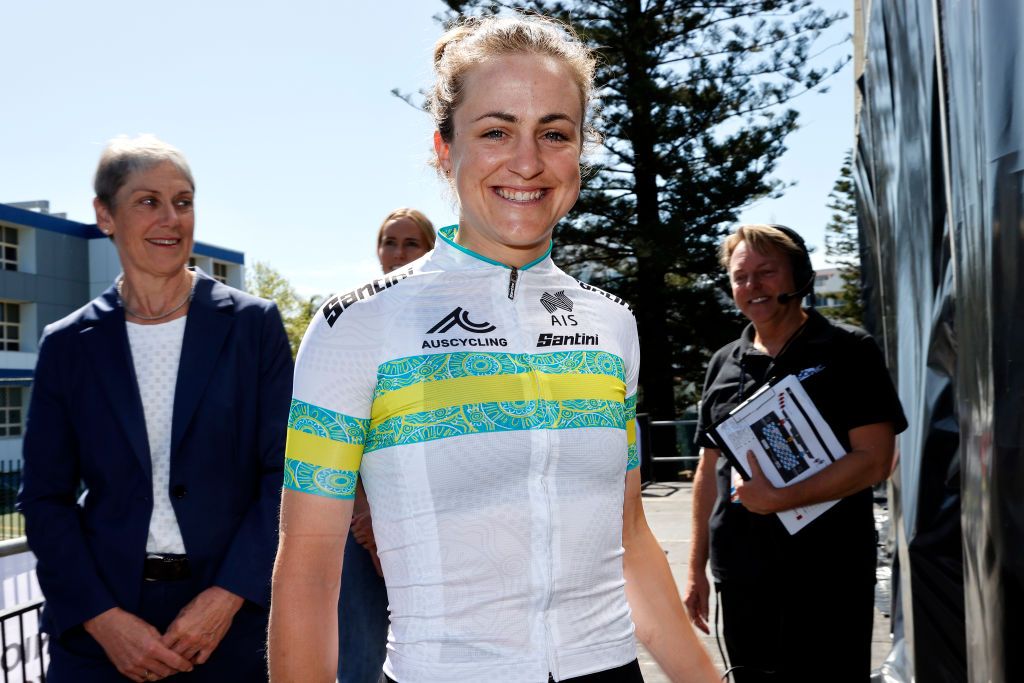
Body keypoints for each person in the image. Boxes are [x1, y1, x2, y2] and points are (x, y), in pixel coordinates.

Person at [270, 13, 719, 683]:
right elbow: (307, 571)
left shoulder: (612, 325)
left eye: (555, 134)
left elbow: (629, 544)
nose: (529, 161)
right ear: (444, 149)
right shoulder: (355, 326)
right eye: (496, 131)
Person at [18, 135, 293, 683]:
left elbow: (284, 474)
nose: (171, 218)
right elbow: (46, 498)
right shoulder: (68, 343)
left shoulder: (252, 326)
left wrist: (228, 596)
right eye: (148, 201)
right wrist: (101, 619)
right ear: (105, 215)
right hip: (102, 632)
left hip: (230, 627)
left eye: (183, 202)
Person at [683, 224, 907, 683]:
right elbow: (708, 471)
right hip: (742, 572)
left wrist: (780, 499)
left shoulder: (849, 350)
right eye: (741, 276)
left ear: (799, 278)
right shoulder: (724, 361)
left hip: (829, 571)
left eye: (766, 273)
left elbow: (875, 459)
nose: (752, 287)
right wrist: (695, 571)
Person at [338, 208, 435, 683]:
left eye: (411, 243)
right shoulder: (353, 325)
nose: (398, 253)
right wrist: (366, 521)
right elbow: (338, 436)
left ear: (430, 249)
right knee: (361, 660)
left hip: (435, 528)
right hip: (360, 533)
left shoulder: (453, 330)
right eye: (390, 242)